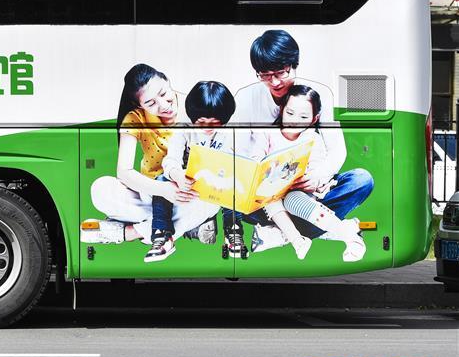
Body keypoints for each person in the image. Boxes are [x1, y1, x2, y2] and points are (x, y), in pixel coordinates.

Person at [230, 30, 374, 251]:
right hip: (267, 197)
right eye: (265, 75)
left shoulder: (317, 94)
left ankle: (281, 234)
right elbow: (238, 153)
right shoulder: (246, 98)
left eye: (281, 72)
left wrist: (316, 177)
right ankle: (330, 228)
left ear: (293, 65)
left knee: (362, 180)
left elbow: (337, 151)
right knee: (233, 198)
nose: (274, 81)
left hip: (308, 191)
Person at [82, 64, 219, 257]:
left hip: (186, 194)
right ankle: (186, 226)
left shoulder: (195, 107)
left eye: (163, 93)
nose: (163, 105)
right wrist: (163, 189)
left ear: (167, 81)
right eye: (151, 103)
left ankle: (129, 232)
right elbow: (124, 172)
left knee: (211, 202)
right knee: (100, 189)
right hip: (151, 191)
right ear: (140, 105)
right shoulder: (135, 119)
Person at [249, 85, 366, 262]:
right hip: (270, 196)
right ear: (282, 110)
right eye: (290, 113)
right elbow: (255, 159)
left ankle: (285, 235)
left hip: (301, 197)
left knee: (293, 199)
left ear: (314, 119)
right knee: (266, 197)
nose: (294, 121)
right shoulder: (267, 133)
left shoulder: (312, 138)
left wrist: (311, 179)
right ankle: (302, 239)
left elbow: (315, 171)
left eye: (303, 117)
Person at [159, 81, 242, 260]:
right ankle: (162, 233)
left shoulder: (231, 131)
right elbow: (171, 160)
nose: (207, 128)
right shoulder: (183, 128)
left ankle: (233, 231)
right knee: (161, 181)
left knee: (234, 185)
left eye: (215, 123)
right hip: (189, 183)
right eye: (201, 122)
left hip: (218, 184)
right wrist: (177, 175)